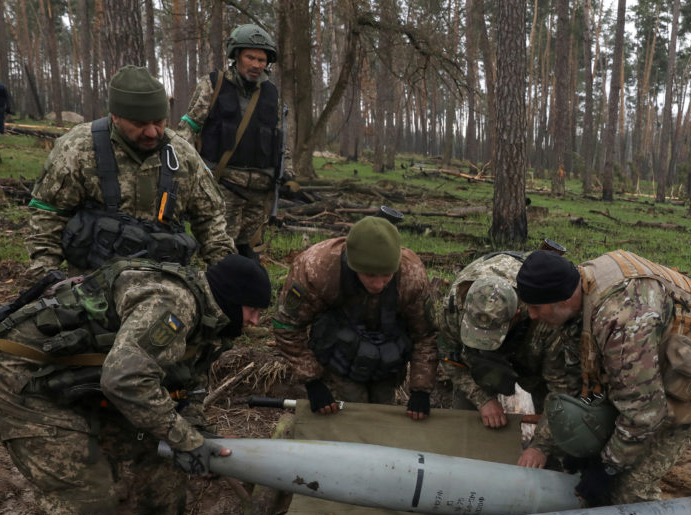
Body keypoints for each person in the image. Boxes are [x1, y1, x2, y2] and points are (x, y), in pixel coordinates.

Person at [0, 254, 272, 515]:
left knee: (164, 458)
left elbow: (183, 383)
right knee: (85, 493)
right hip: (21, 382)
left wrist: (193, 432)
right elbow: (126, 379)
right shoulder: (170, 305)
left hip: (82, 383)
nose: (256, 321)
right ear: (229, 297)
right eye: (253, 309)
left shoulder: (212, 320)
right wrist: (184, 438)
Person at [515, 250, 691, 505]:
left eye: (536, 307)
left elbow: (645, 414)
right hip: (641, 372)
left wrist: (605, 467)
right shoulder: (579, 291)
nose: (531, 315)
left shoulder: (621, 321)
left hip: (686, 383)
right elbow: (583, 379)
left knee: (629, 489)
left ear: (561, 300)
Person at [25, 65, 234, 280]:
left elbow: (211, 222)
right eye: (140, 124)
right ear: (116, 117)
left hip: (166, 286)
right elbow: (47, 215)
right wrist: (46, 279)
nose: (153, 132)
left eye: (159, 122)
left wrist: (229, 278)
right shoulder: (78, 149)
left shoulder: (183, 155)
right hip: (92, 287)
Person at [273, 216, 437, 418]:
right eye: (370, 275)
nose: (378, 285)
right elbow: (287, 326)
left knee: (382, 415)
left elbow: (426, 335)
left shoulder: (411, 275)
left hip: (388, 359)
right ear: (353, 265)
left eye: (386, 275)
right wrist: (313, 381)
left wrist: (421, 388)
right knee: (348, 418)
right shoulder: (316, 269)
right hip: (337, 358)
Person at [178, 24, 293, 260]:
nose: (256, 64)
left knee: (250, 252)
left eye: (261, 59)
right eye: (250, 57)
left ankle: (246, 294)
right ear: (236, 55)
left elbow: (280, 140)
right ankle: (217, 294)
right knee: (220, 252)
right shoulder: (213, 84)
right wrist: (180, 170)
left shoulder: (272, 93)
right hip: (223, 185)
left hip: (260, 191)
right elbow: (189, 127)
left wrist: (288, 173)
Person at [436, 248, 561, 462]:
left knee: (556, 435)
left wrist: (541, 446)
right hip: (477, 359)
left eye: (492, 335)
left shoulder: (545, 317)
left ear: (516, 316)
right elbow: (449, 356)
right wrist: (482, 399)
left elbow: (561, 389)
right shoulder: (455, 307)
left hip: (531, 353)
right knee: (467, 423)